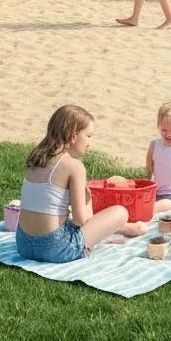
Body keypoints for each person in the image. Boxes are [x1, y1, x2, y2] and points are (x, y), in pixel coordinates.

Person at [16, 105, 145, 263]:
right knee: (120, 212)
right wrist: (87, 198)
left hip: (23, 245)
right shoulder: (73, 166)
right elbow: (80, 221)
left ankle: (121, 229)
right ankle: (123, 228)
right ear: (73, 136)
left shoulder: (35, 159)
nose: (90, 142)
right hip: (55, 248)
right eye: (89, 136)